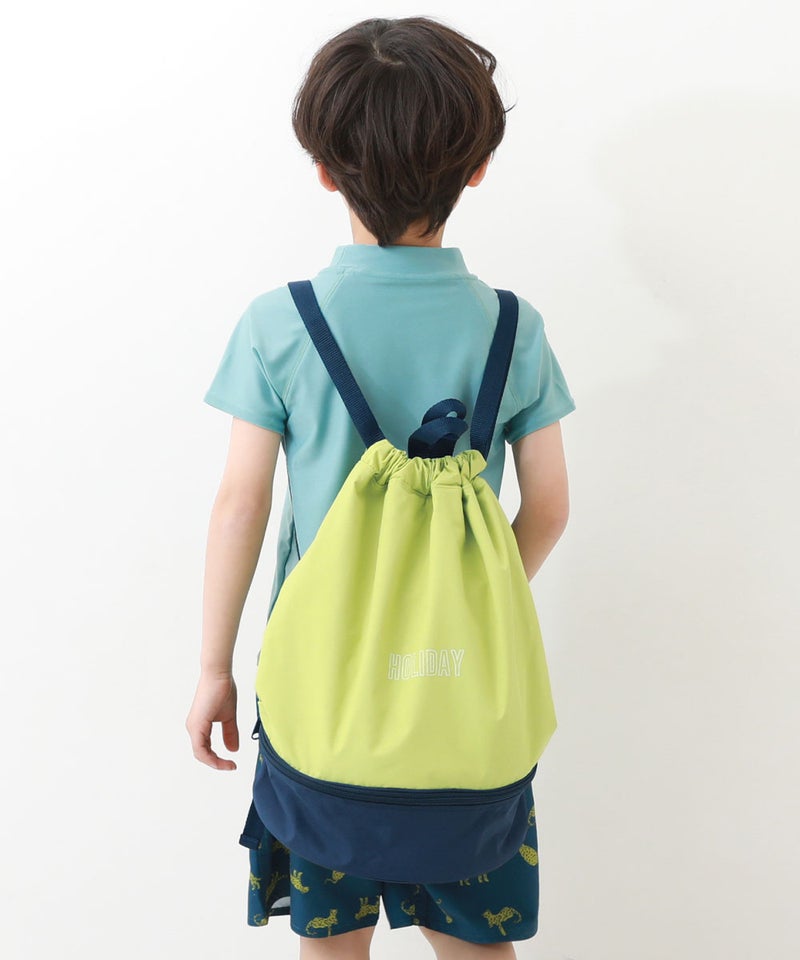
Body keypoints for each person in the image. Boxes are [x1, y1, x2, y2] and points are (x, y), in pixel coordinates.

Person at [186, 15, 576, 960]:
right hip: (465, 708)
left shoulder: (281, 324)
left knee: (331, 944)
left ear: (325, 169)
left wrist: (213, 669)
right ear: (477, 168)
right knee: (477, 944)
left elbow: (241, 506)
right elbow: (551, 506)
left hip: (321, 699)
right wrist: (462, 597)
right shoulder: (512, 328)